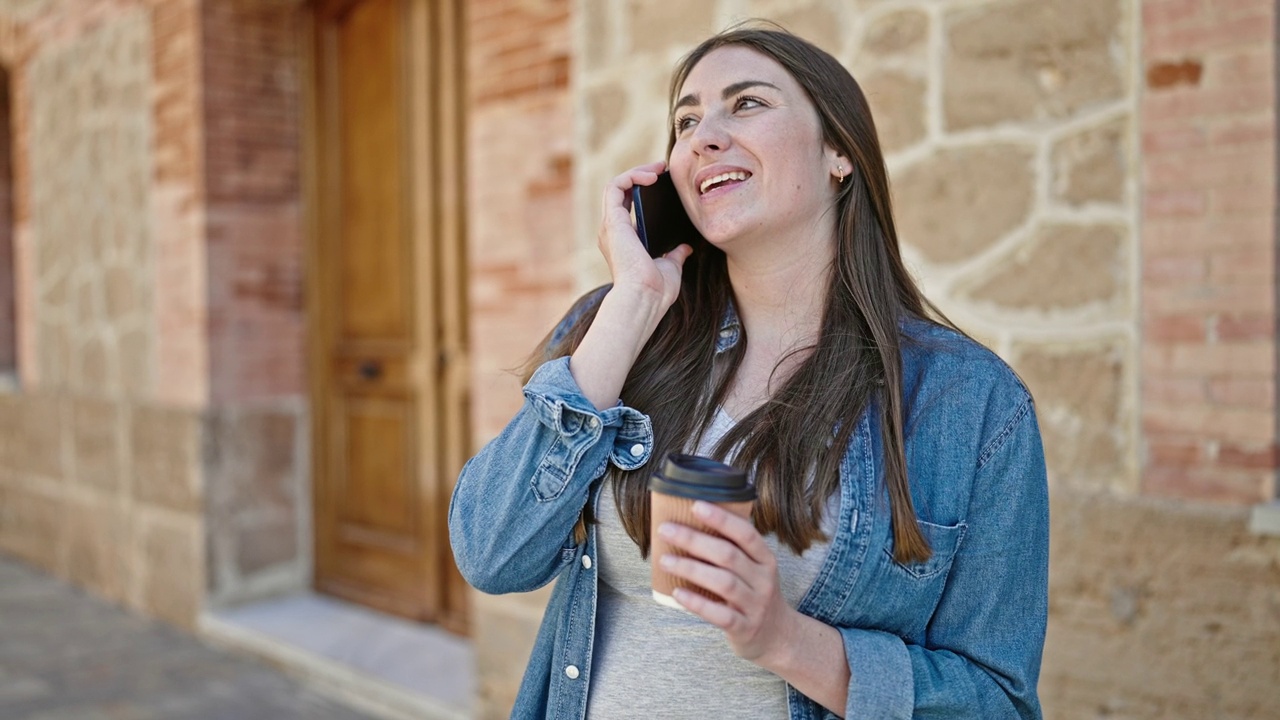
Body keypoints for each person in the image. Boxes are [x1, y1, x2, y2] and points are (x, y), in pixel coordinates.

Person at [449, 23, 1049, 720]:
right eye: (686, 119)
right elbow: (492, 554)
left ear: (838, 152)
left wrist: (784, 639)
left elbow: (998, 703)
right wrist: (633, 302)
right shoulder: (618, 330)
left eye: (747, 104)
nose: (704, 135)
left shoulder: (971, 403)